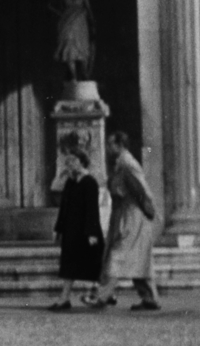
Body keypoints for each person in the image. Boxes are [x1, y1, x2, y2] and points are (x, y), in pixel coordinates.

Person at [85, 132, 163, 311]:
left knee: (117, 254)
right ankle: (150, 298)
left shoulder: (128, 164)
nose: (108, 148)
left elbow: (142, 190)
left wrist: (149, 211)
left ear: (119, 145)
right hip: (124, 214)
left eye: (110, 144)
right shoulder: (121, 164)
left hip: (132, 216)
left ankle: (101, 296)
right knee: (139, 258)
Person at [50, 147, 104, 310]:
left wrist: (92, 232)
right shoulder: (70, 182)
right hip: (71, 231)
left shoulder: (90, 182)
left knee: (93, 265)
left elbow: (92, 209)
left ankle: (101, 295)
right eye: (67, 162)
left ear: (82, 162)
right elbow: (63, 207)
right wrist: (59, 230)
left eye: (73, 161)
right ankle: (64, 298)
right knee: (69, 266)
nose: (70, 165)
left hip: (86, 231)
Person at [52, 0, 95, 83]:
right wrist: (58, 12)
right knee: (69, 47)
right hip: (67, 23)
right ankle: (74, 77)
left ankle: (85, 74)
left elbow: (89, 9)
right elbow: (60, 9)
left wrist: (92, 23)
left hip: (80, 23)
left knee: (82, 46)